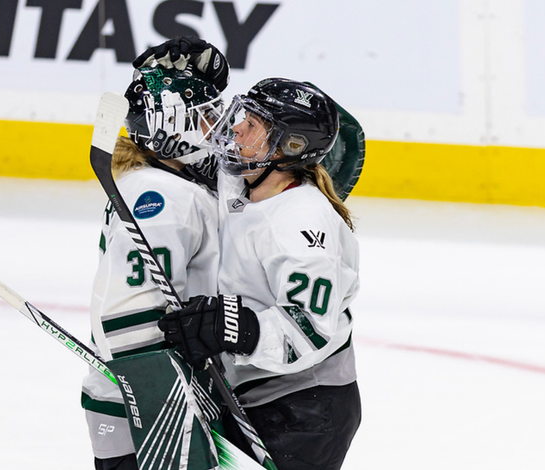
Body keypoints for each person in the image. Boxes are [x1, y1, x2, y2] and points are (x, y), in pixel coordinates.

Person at [158, 78, 362, 470]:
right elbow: (202, 141)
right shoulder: (245, 183)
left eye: (251, 124)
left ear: (290, 147)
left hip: (306, 408)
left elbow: (309, 329)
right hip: (256, 392)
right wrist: (175, 86)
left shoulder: (300, 221)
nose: (236, 128)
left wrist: (232, 327)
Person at [80, 50, 227, 470]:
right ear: (171, 130)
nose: (216, 127)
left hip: (164, 401)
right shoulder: (161, 198)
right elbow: (127, 316)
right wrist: (169, 398)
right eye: (204, 116)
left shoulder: (173, 181)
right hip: (148, 410)